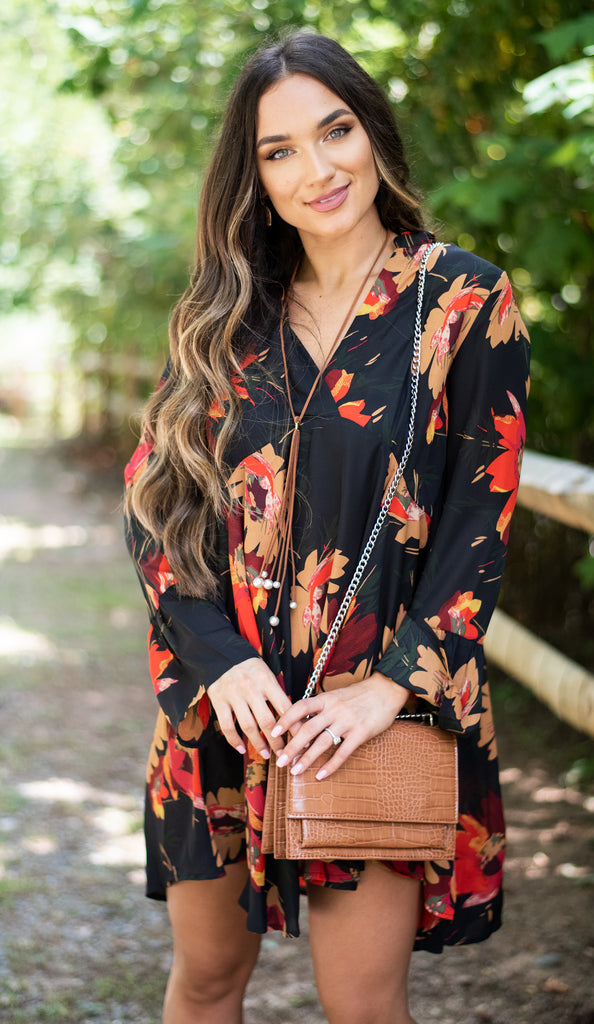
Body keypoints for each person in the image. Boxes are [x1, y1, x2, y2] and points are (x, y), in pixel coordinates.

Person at [124, 30, 530, 1024]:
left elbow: (479, 526)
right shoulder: (224, 313)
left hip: (368, 714)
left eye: (333, 131)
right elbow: (157, 507)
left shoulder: (461, 302)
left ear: (371, 132)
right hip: (229, 711)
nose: (317, 169)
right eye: (279, 151)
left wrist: (389, 687)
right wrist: (218, 660)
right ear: (253, 177)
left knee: (359, 1003)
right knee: (208, 979)